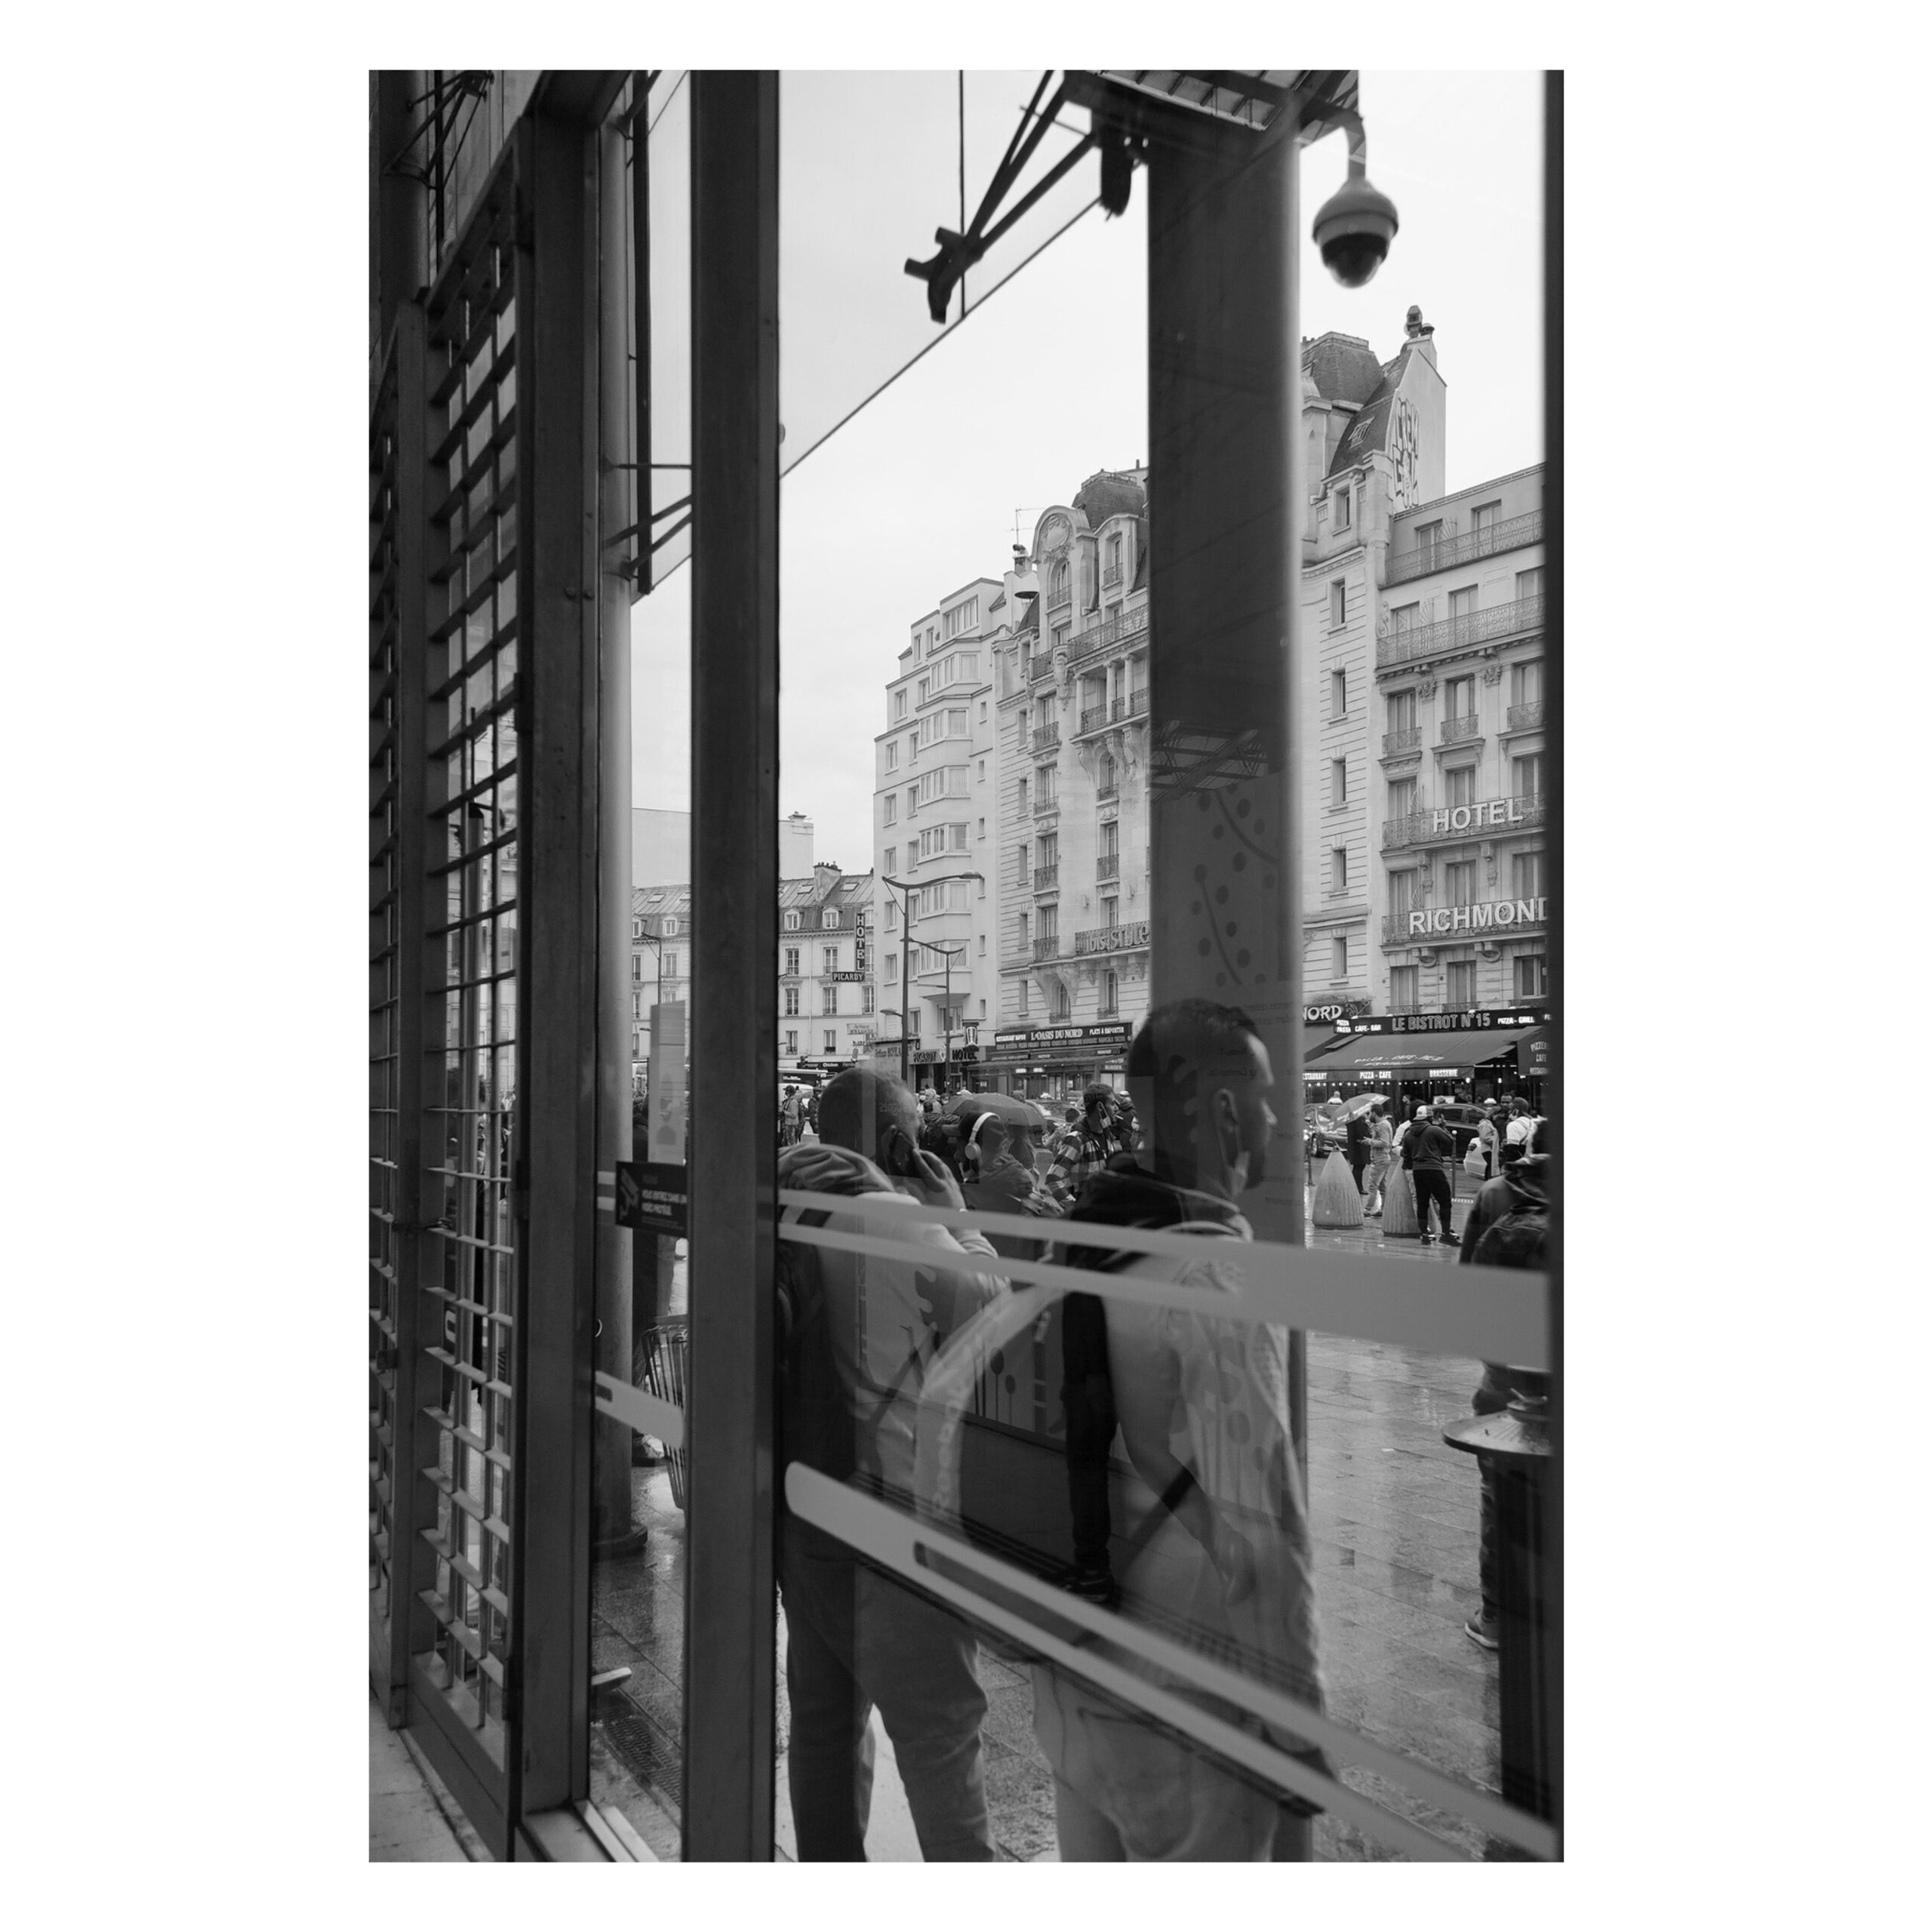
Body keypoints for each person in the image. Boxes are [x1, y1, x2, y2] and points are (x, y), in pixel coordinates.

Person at [1030, 1001, 1328, 1860]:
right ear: (1226, 1112)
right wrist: (1297, 1721)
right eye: (1268, 1100)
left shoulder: (1083, 1237)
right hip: (1186, 1668)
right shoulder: (1208, 1274)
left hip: (1080, 1646)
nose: (1276, 1123)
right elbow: (1264, 1527)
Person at [775, 1067, 1006, 1860]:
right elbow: (991, 1305)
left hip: (806, 1511)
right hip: (894, 1516)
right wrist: (956, 1216)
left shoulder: (780, 1198)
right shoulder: (891, 1217)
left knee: (823, 1728)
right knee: (943, 1740)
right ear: (895, 1140)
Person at [1456, 1117, 1549, 1649]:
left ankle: (1498, 1614)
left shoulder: (1495, 1193)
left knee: (1501, 1492)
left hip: (1508, 1372)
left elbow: (1470, 1281)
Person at [1042, 1083, 1128, 1211]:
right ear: (1100, 1108)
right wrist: (1075, 1208)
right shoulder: (1076, 1140)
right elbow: (1053, 1179)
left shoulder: (1107, 1135)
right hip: (1085, 1215)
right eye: (1111, 1104)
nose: (1116, 1108)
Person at [1406, 1103, 1458, 1245]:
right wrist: (1443, 1127)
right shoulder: (1433, 1130)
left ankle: (1424, 1235)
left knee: (1422, 1203)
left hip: (1418, 1171)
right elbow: (1449, 1142)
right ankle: (1446, 1234)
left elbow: (1406, 1155)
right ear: (1429, 1117)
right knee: (1445, 1202)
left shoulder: (1409, 1133)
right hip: (1434, 1169)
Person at [1362, 1103, 1394, 1217]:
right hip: (1383, 1158)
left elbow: (1384, 1143)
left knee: (1373, 1185)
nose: (1369, 1115)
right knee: (1382, 1186)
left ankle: (1367, 1209)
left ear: (1374, 1113)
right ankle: (1384, 1209)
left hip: (1380, 1159)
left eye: (1370, 1113)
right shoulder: (1384, 1124)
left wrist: (1370, 1142)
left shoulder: (1383, 1125)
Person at [1343, 1103, 1373, 1198]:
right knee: (1359, 1167)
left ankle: (1355, 1186)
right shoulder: (1358, 1120)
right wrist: (1369, 1130)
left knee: (1357, 1168)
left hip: (1356, 1148)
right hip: (1359, 1148)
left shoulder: (1353, 1120)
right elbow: (1362, 1134)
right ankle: (1358, 1187)